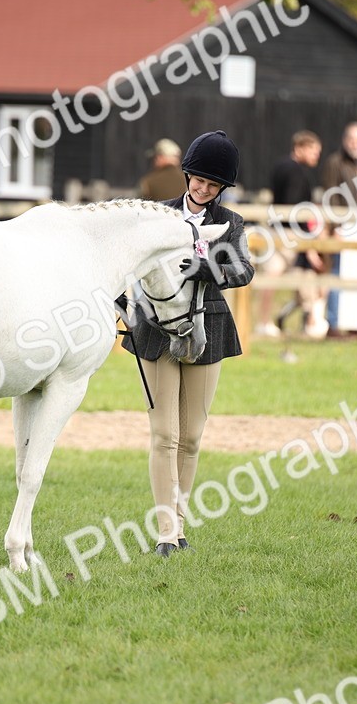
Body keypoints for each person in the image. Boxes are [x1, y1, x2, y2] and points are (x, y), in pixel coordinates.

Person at [122, 130, 254, 557]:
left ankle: (180, 524)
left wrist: (208, 269)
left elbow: (244, 270)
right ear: (187, 175)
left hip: (208, 328)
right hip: (157, 330)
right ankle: (165, 532)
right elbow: (129, 262)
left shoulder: (230, 223)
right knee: (164, 434)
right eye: (197, 179)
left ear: (221, 189)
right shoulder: (154, 215)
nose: (202, 188)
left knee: (192, 437)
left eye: (211, 185)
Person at [262, 131, 326, 353]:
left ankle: (267, 320)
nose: (316, 155)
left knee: (273, 278)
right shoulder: (296, 172)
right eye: (313, 150)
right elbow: (294, 207)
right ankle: (309, 322)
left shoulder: (281, 166)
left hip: (277, 231)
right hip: (290, 234)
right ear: (299, 148)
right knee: (299, 277)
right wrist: (307, 242)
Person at [319, 122, 357, 336]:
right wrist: (336, 227)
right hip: (342, 229)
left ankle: (355, 321)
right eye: (353, 140)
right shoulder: (335, 162)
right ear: (345, 140)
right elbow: (331, 197)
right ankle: (333, 324)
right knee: (337, 274)